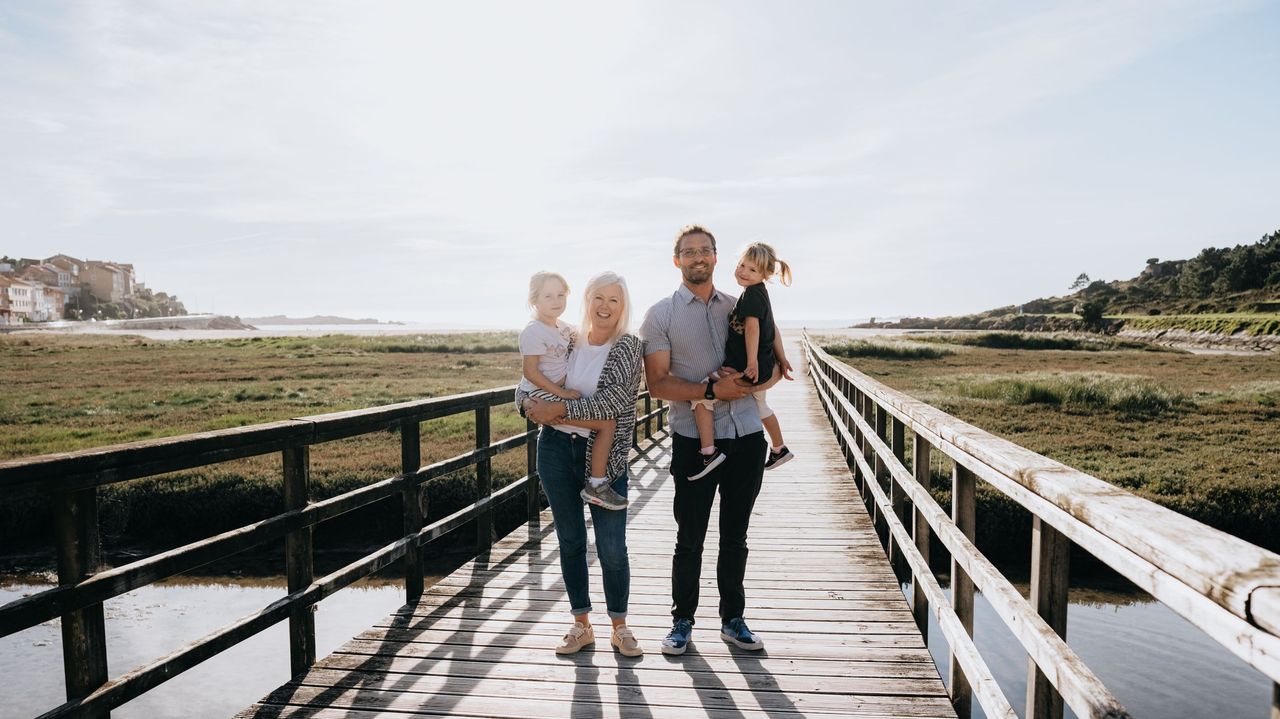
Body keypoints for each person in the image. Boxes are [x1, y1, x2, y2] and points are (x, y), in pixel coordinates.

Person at [639, 224, 792, 656]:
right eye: (689, 252)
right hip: (695, 441)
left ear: (716, 257)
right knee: (689, 537)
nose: (698, 257)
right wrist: (710, 392)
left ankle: (733, 620)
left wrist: (771, 373)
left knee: (735, 537)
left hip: (745, 436)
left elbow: (770, 349)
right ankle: (682, 621)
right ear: (677, 260)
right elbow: (658, 384)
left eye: (705, 250)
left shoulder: (740, 302)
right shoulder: (660, 315)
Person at [523, 271, 645, 658]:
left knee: (612, 546)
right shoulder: (568, 338)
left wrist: (557, 407)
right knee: (570, 540)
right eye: (598, 297)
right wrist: (526, 405)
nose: (605, 306)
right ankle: (581, 624)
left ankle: (620, 627)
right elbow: (531, 377)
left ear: (622, 306)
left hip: (604, 456)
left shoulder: (628, 345)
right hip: (556, 449)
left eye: (614, 299)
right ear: (587, 300)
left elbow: (613, 402)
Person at [516, 271, 625, 509]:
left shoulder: (564, 329)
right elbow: (530, 373)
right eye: (548, 296)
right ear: (534, 300)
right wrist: (559, 394)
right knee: (606, 424)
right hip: (544, 394)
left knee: (605, 423)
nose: (556, 301)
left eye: (560, 295)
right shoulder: (533, 331)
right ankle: (597, 485)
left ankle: (596, 482)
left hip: (556, 397)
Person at [688, 242, 795, 479]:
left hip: (745, 368)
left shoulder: (751, 295)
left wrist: (751, 362)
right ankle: (779, 448)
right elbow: (774, 328)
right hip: (762, 366)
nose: (744, 272)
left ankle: (708, 453)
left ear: (765, 275)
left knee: (700, 396)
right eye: (742, 265)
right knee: (760, 405)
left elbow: (753, 329)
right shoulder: (759, 294)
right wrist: (782, 357)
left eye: (752, 270)